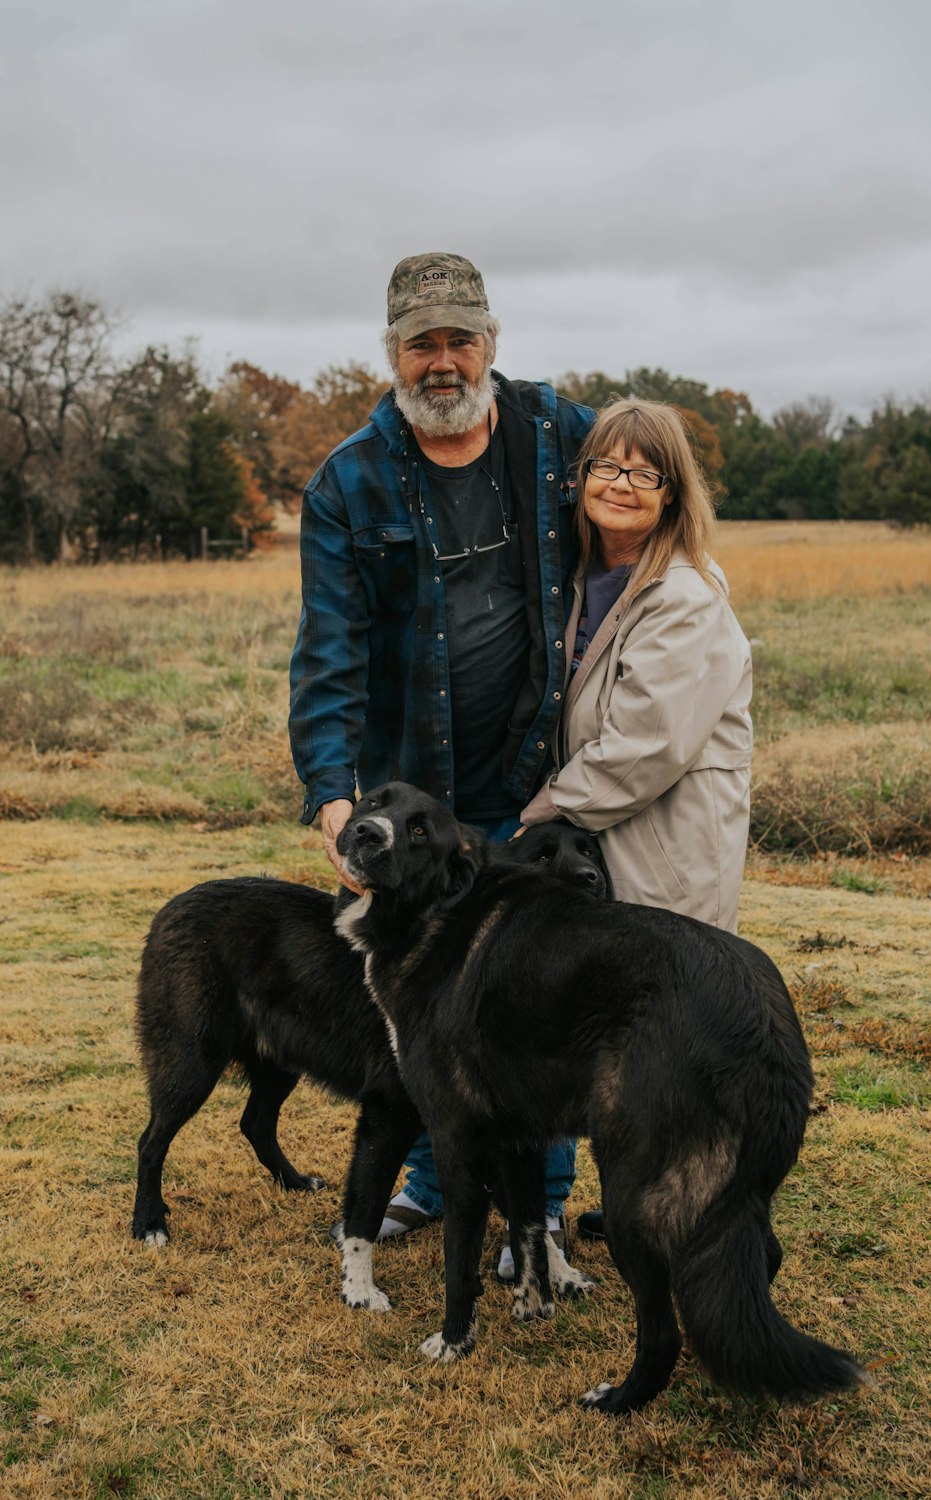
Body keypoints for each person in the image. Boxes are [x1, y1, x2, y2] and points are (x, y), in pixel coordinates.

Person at [288, 253, 595, 1267]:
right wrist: (333, 799)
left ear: (492, 344)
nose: (443, 360)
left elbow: (655, 508)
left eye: (461, 338)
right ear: (392, 354)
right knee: (420, 996)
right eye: (421, 342)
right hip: (415, 800)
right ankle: (432, 1181)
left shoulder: (562, 435)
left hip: (535, 778)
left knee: (530, 996)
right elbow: (328, 650)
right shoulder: (350, 479)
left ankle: (537, 1211)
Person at [518, 398, 753, 1239]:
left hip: (665, 840)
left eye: (642, 471)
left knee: (668, 1038)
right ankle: (642, 1204)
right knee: (625, 1036)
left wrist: (537, 814)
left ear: (671, 491)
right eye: (605, 467)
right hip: (616, 837)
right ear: (580, 480)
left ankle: (697, 1221)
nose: (620, 484)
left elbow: (643, 747)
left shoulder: (683, 594)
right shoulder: (588, 577)